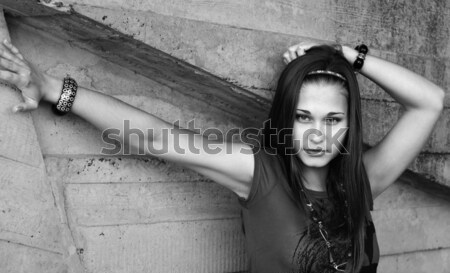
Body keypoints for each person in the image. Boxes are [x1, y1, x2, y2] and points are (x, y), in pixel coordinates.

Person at [0, 39, 444, 273]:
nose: (316, 135)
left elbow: (429, 101)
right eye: (304, 117)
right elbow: (157, 138)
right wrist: (54, 89)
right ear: (285, 120)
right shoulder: (260, 173)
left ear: (350, 126)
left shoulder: (364, 180)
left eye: (333, 120)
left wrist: (345, 56)